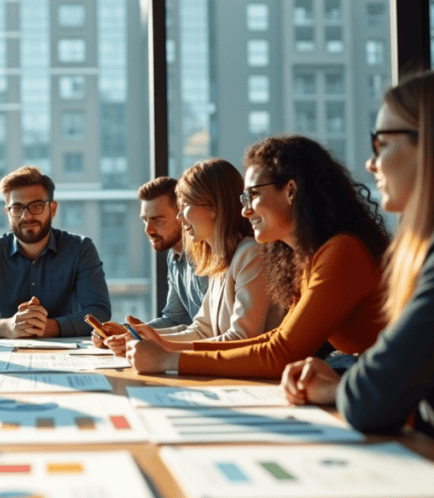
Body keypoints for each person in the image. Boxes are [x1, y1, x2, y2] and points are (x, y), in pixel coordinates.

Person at [281, 69, 434, 480]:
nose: (369, 161)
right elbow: (418, 364)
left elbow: (372, 400)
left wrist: (335, 388)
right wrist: (343, 375)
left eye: (381, 143)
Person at [128, 135, 390, 378]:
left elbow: (280, 353)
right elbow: (275, 339)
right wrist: (167, 349)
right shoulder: (309, 259)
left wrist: (170, 360)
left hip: (392, 392)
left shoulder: (342, 253)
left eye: (252, 195)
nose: (245, 211)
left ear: (290, 190)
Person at [114, 159, 283, 365]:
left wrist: (164, 349)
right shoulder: (219, 261)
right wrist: (147, 338)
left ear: (213, 207)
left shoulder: (251, 255)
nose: (179, 217)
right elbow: (202, 330)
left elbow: (242, 339)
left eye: (184, 205)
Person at [0, 166, 111, 338]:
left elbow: (99, 312)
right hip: (4, 354)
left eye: (36, 206)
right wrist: (6, 327)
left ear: (53, 209)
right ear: (7, 212)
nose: (26, 217)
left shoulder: (80, 249)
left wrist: (49, 327)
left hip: (66, 354)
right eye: (17, 208)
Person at [90, 177, 208, 348]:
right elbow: (174, 319)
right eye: (145, 220)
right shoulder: (174, 257)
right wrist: (125, 331)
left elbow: (207, 331)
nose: (148, 230)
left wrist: (134, 334)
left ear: (182, 216)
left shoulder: (207, 256)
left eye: (158, 220)